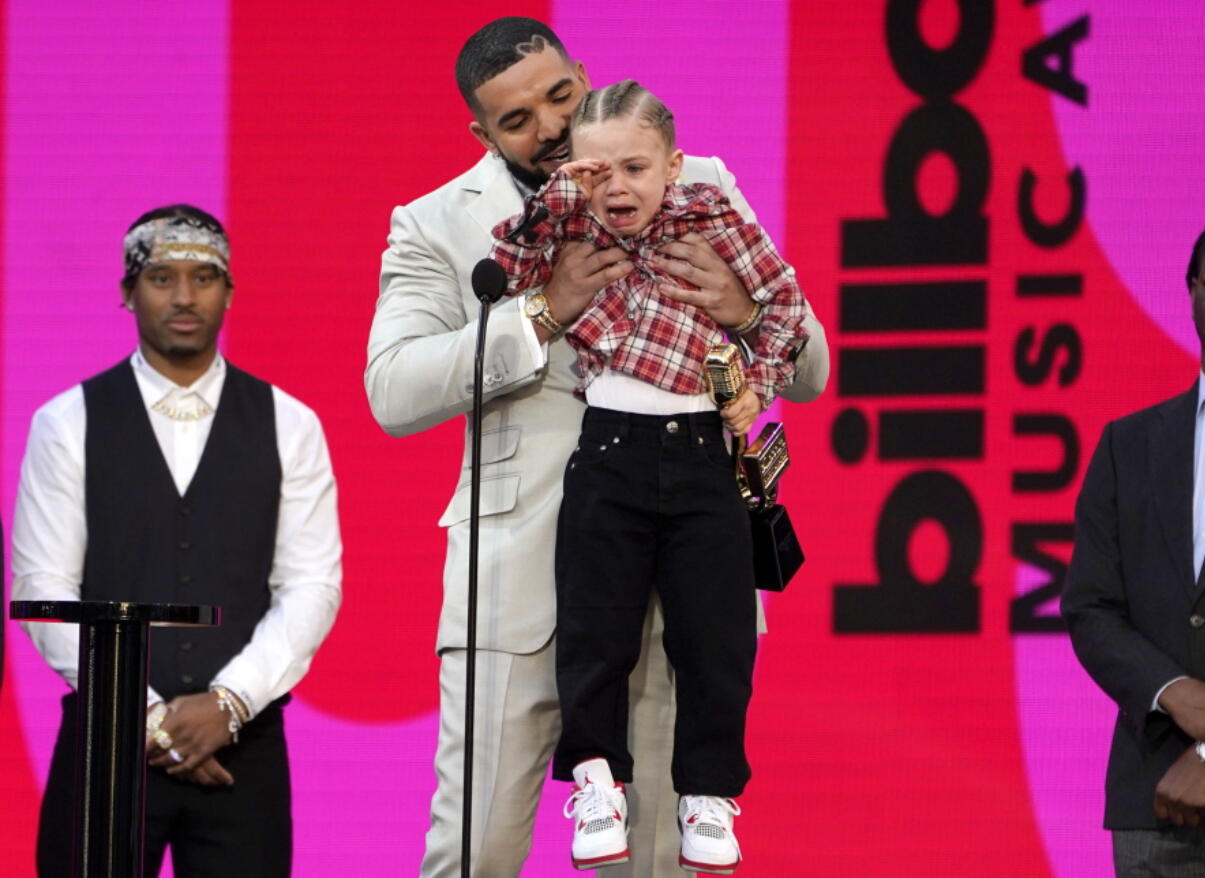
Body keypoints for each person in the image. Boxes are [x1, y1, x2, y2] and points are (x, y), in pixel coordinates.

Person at [365, 16, 829, 878]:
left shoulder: (698, 183)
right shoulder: (436, 224)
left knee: (651, 862)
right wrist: (541, 313)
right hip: (515, 590)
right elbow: (392, 388)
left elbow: (810, 370)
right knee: (475, 854)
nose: (547, 128)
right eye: (516, 120)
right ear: (480, 132)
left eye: (558, 97)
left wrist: (740, 308)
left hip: (676, 577)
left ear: (582, 74)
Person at [489, 79, 808, 874]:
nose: (616, 189)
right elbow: (509, 262)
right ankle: (596, 781)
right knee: (594, 630)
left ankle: (709, 793)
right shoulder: (565, 221)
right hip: (607, 451)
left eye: (634, 168)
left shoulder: (714, 216)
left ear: (672, 166)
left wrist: (755, 385)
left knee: (717, 638)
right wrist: (562, 200)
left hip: (705, 452)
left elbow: (785, 306)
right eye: (596, 172)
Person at [11, 204, 342, 878]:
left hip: (242, 748)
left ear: (229, 291)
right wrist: (150, 718)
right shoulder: (65, 421)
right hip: (105, 746)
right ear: (128, 292)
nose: (185, 296)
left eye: (204, 276)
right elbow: (42, 589)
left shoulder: (291, 423)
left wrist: (230, 703)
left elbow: (312, 583)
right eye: (162, 277)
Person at [1063, 216, 1205, 876]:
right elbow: (1091, 609)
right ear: (1190, 292)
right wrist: (1173, 692)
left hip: (1191, 774)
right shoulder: (1127, 446)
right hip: (1154, 792)